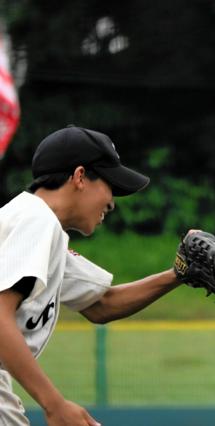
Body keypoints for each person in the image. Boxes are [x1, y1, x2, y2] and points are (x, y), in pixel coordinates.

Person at [0, 126, 183, 426]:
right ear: (80, 176)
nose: (112, 201)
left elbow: (101, 304)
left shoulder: (37, 224)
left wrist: (180, 275)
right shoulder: (36, 221)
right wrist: (54, 405)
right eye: (110, 184)